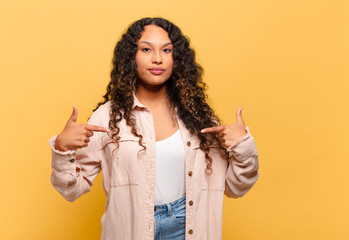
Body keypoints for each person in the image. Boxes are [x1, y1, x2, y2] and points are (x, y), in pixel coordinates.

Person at [49, 17, 259, 240]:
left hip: (187, 227)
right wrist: (63, 148)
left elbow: (236, 187)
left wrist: (242, 147)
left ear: (176, 59)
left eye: (166, 50)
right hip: (132, 229)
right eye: (146, 49)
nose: (157, 59)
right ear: (132, 57)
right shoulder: (109, 117)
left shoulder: (198, 118)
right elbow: (71, 190)